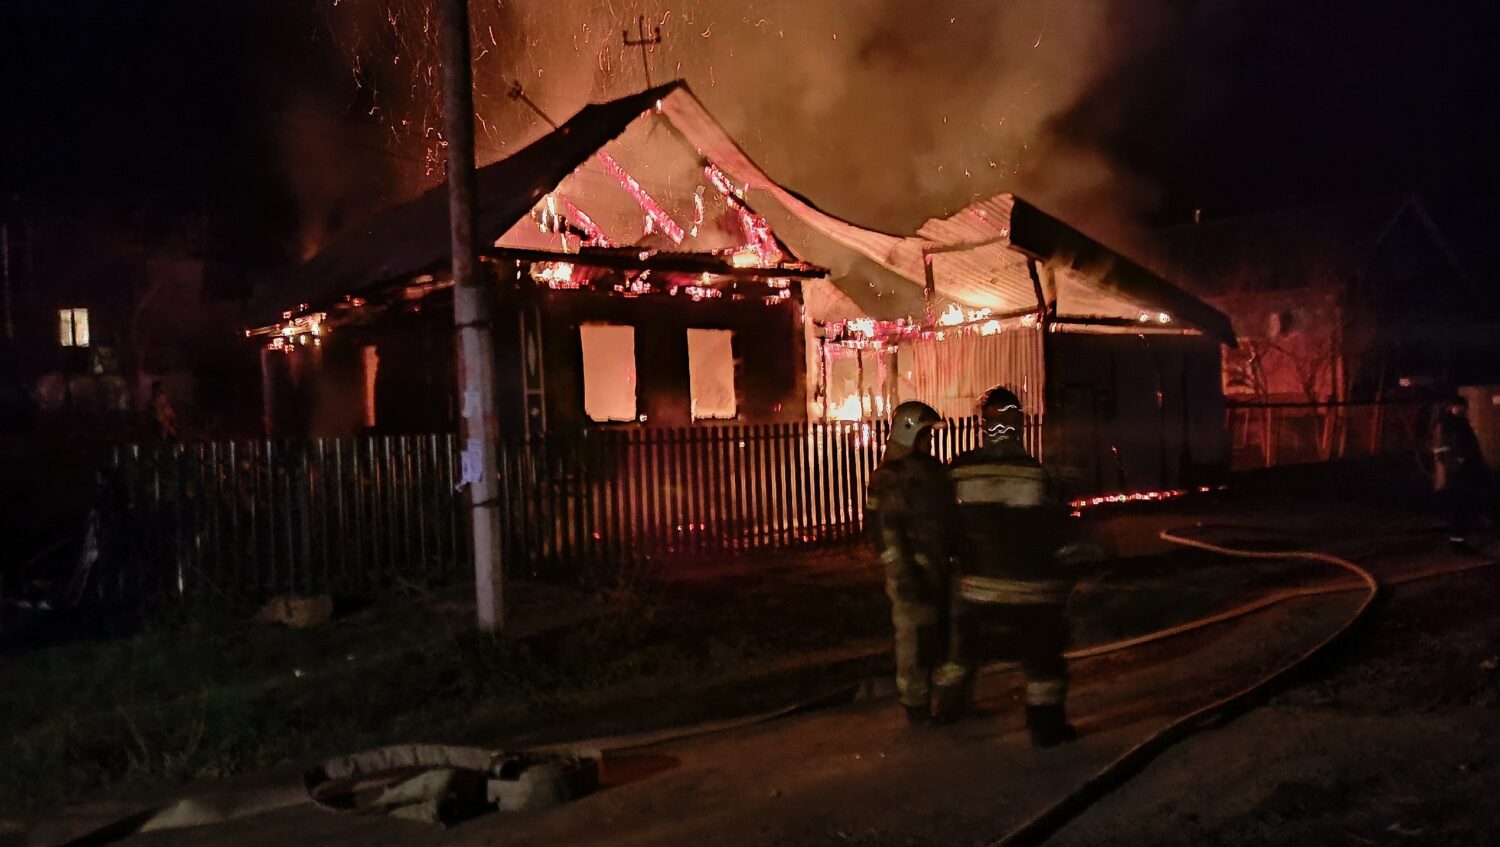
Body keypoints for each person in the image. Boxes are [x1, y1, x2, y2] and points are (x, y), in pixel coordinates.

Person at [932, 385, 1100, 746]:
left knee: (961, 654)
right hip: (1032, 593)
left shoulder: (960, 472)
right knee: (1043, 665)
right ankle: (1046, 729)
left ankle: (948, 710)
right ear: (1019, 425)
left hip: (975, 589)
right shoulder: (1037, 475)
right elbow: (1057, 533)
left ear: (983, 424)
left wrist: (951, 563)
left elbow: (945, 527)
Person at [866, 400, 955, 726]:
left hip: (939, 568)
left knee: (944, 635)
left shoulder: (931, 472)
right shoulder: (890, 479)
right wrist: (903, 575)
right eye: (925, 434)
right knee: (914, 638)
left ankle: (947, 702)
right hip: (911, 573)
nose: (929, 441)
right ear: (909, 433)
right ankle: (916, 705)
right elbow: (887, 534)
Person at [1432, 394, 1487, 553]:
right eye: (1462, 406)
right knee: (1456, 507)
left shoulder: (1460, 423)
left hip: (1465, 473)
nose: (1465, 409)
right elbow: (1441, 450)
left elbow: (1470, 446)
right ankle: (1457, 542)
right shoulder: (1445, 425)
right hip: (1454, 475)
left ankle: (1459, 539)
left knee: (1463, 506)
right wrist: (1457, 463)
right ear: (1452, 406)